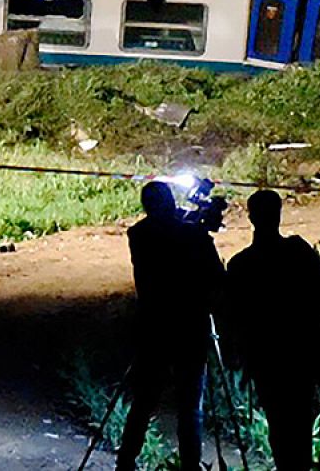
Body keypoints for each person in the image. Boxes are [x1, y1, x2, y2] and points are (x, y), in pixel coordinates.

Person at [115, 181, 225, 471]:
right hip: (189, 327)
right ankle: (190, 465)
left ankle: (126, 461)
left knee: (144, 401)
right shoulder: (187, 235)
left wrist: (198, 222)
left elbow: (174, 229)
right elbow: (216, 275)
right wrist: (203, 226)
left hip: (154, 328)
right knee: (190, 408)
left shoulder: (140, 234)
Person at [224, 190, 320, 471]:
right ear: (279, 214)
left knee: (278, 420)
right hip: (300, 349)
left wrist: (237, 351)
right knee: (300, 420)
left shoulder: (240, 264)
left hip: (264, 354)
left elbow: (232, 313)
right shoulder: (298, 252)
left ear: (251, 217)